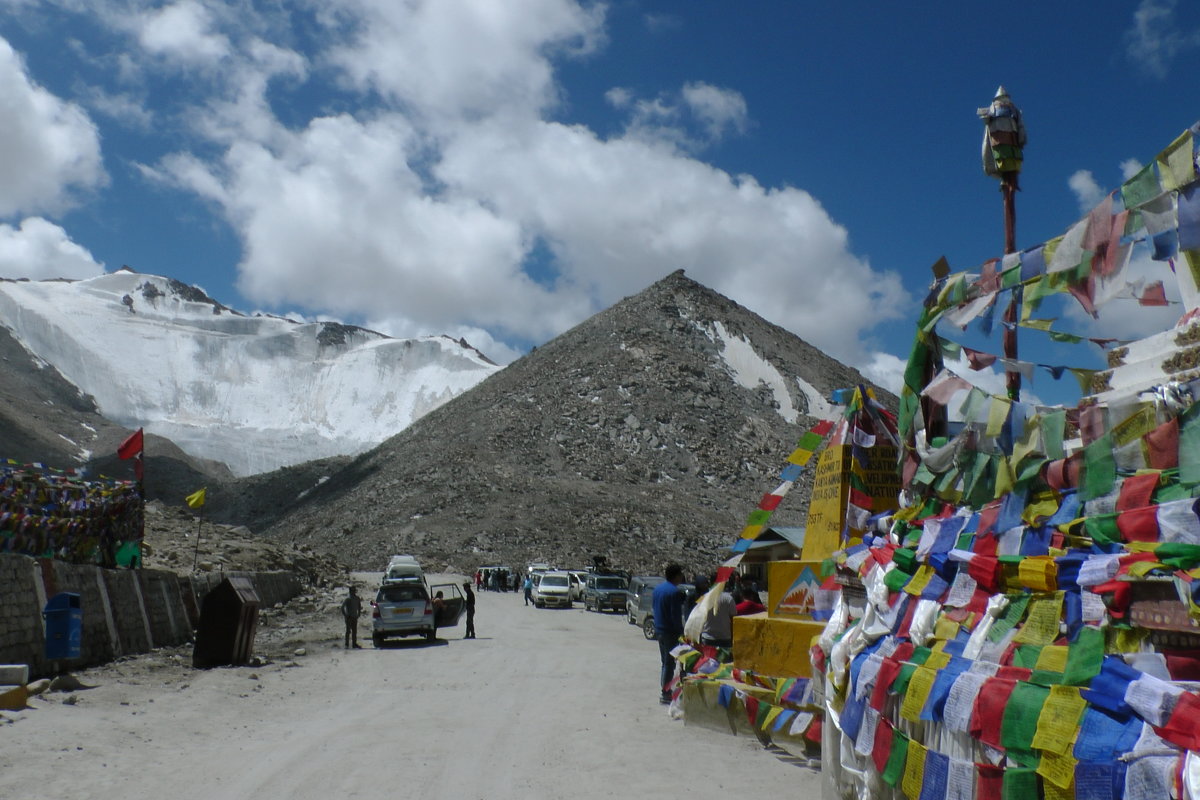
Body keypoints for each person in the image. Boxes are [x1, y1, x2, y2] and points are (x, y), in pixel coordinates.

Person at [652, 564, 686, 704]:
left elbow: (654, 608)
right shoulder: (674, 592)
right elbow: (675, 616)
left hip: (659, 629)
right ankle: (665, 692)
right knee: (669, 663)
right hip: (670, 632)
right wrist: (681, 633)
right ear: (676, 576)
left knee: (664, 662)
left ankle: (665, 689)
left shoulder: (657, 589)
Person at [701, 584, 737, 650]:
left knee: (709, 660)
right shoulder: (729, 598)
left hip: (708, 637)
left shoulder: (704, 598)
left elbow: (700, 618)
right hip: (725, 638)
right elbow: (733, 620)